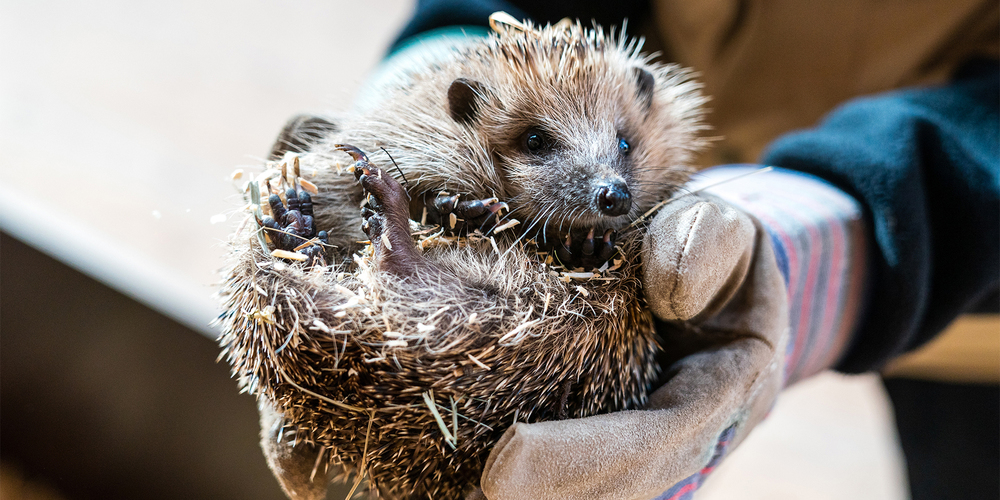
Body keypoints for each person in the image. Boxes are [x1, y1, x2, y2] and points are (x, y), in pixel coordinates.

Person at [361, 1, 998, 498]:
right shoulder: (488, 121)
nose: (607, 183)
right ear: (464, 110)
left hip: (978, 302)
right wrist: (432, 56)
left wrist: (827, 243)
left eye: (622, 147)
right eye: (536, 144)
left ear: (645, 109)